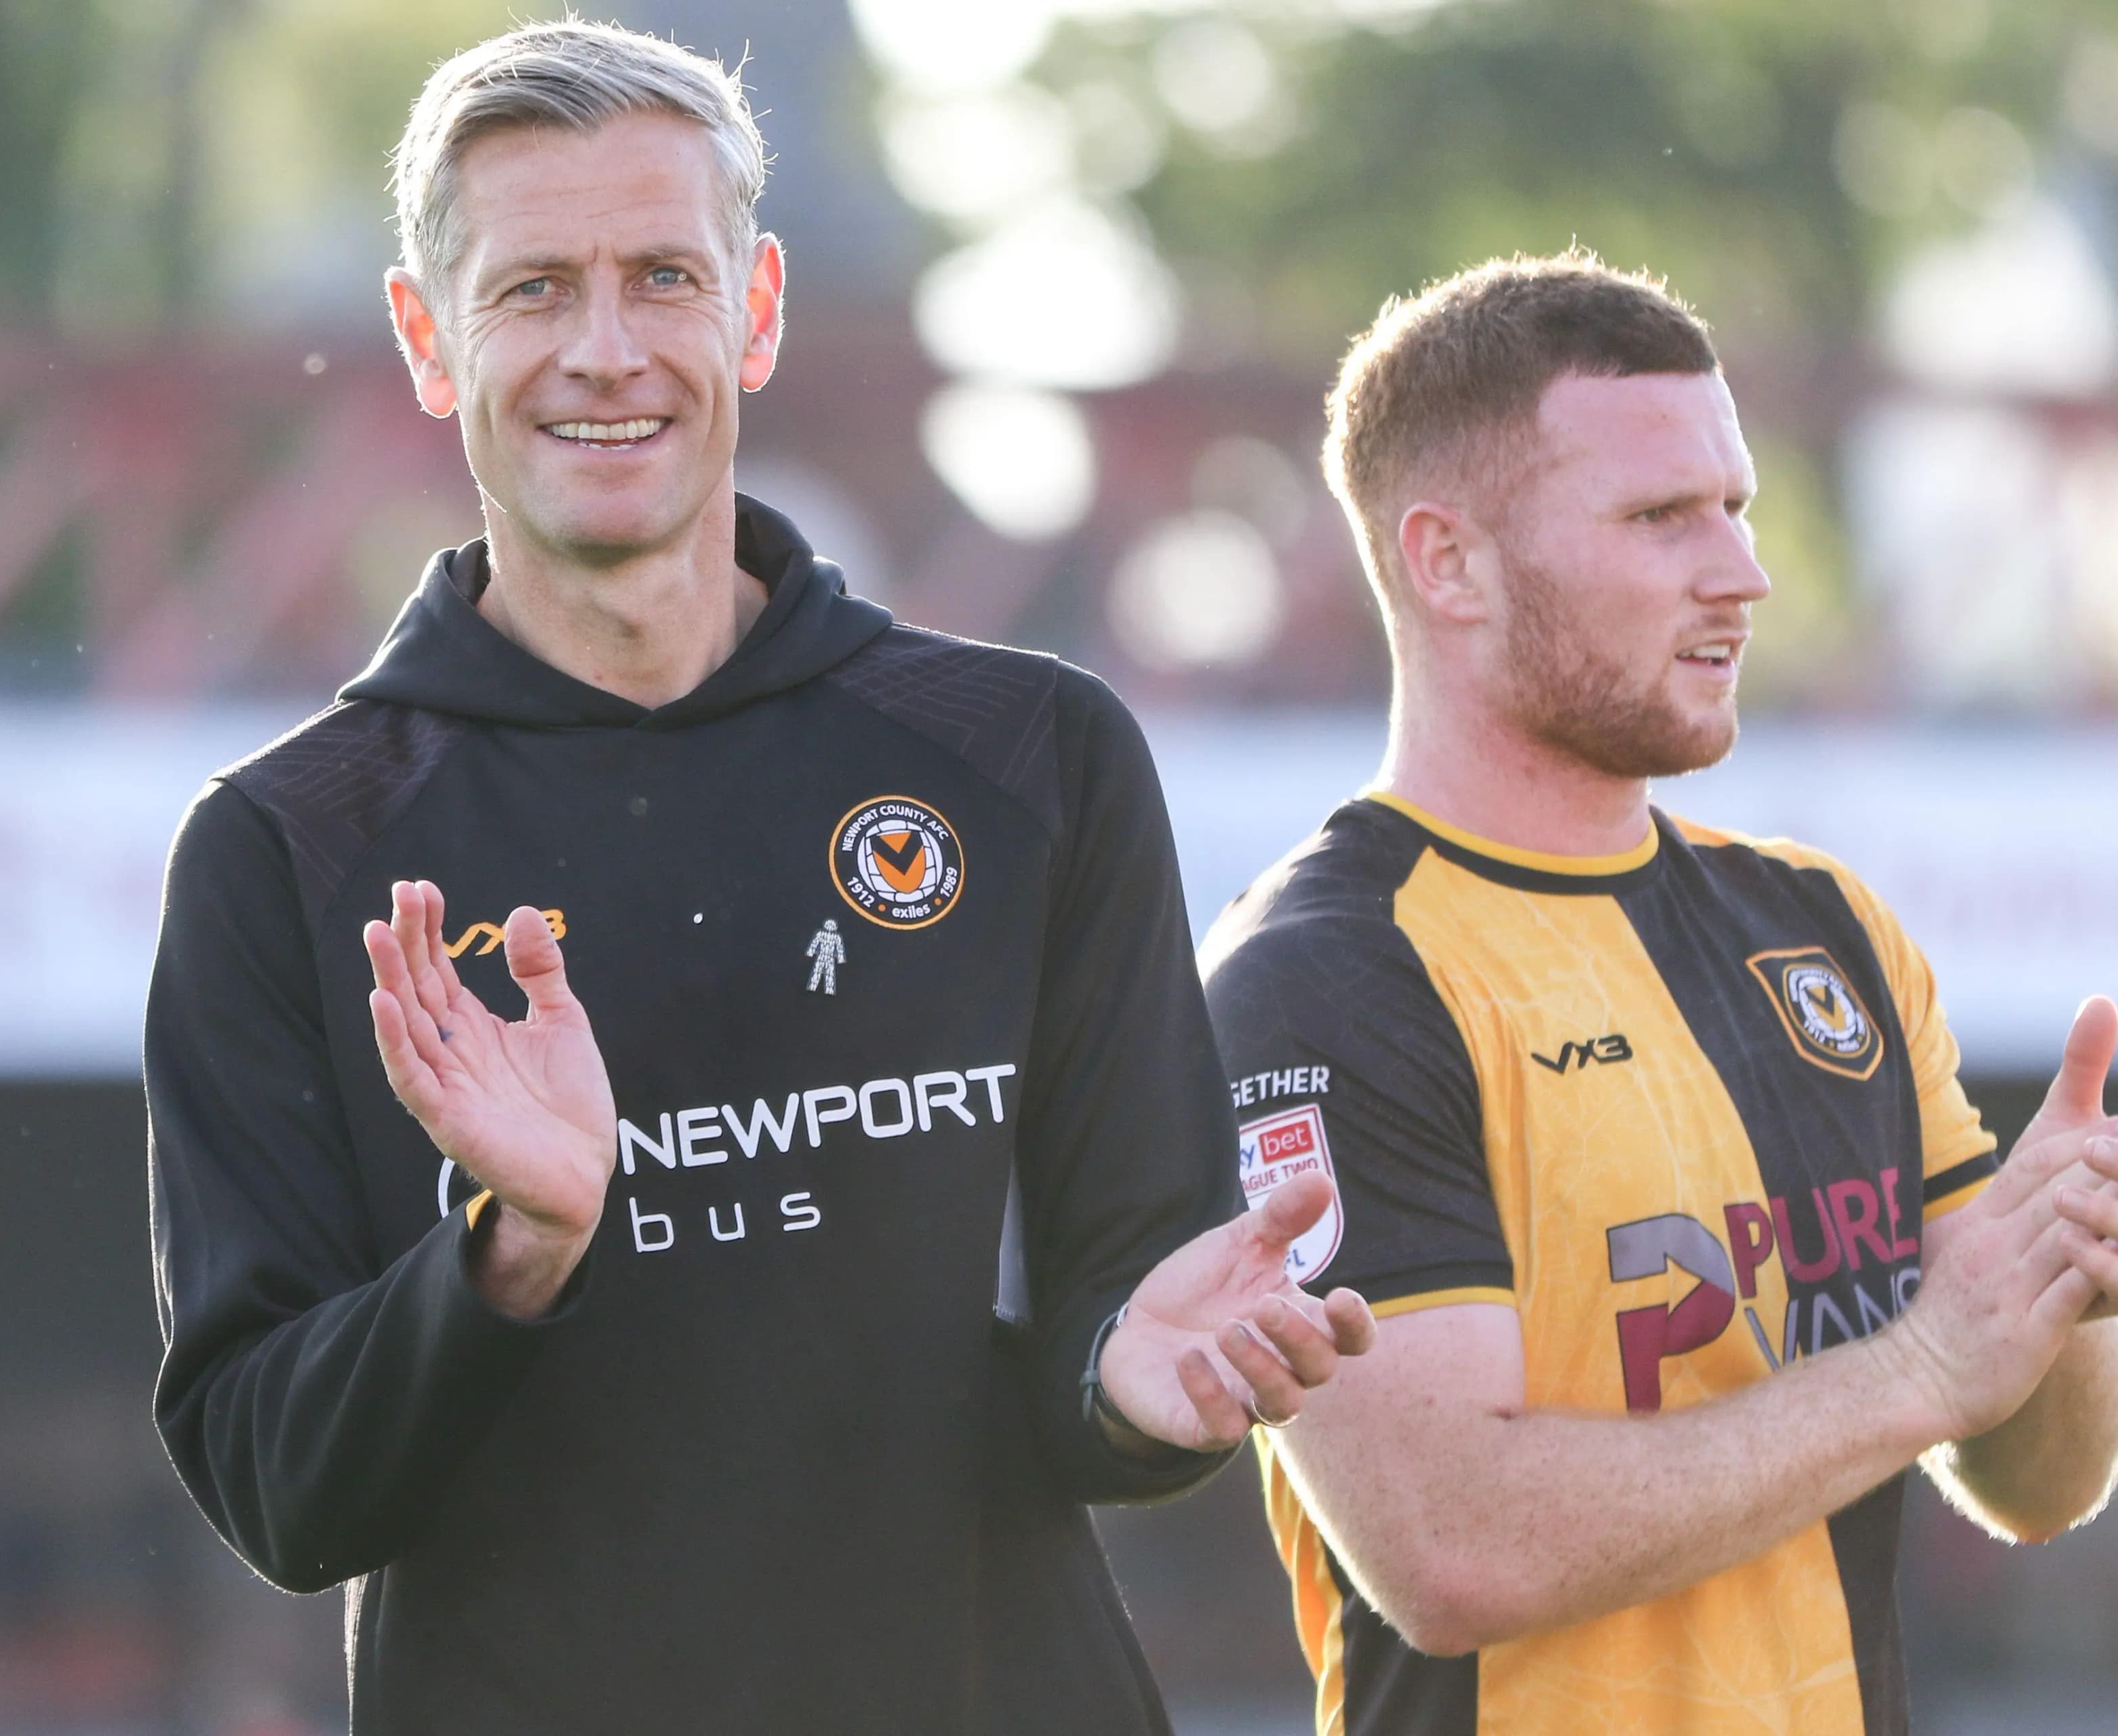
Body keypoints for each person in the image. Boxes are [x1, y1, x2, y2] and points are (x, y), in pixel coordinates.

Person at [144, 22, 1371, 1733]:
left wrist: (1142, 1391)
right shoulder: (290, 850)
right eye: (530, 291)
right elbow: (280, 1490)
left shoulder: (1032, 760)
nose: (605, 350)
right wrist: (514, 1248)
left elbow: (1121, 1329)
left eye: (664, 276)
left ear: (760, 307)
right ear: (427, 338)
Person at [1198, 253, 2118, 1735]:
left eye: (1735, 507)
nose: (1741, 571)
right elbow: (1451, 1545)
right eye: (1659, 516)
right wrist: (1929, 1359)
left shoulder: (1823, 926)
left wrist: (2062, 1279)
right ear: (1450, 563)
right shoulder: (1321, 978)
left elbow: (2040, 1483)